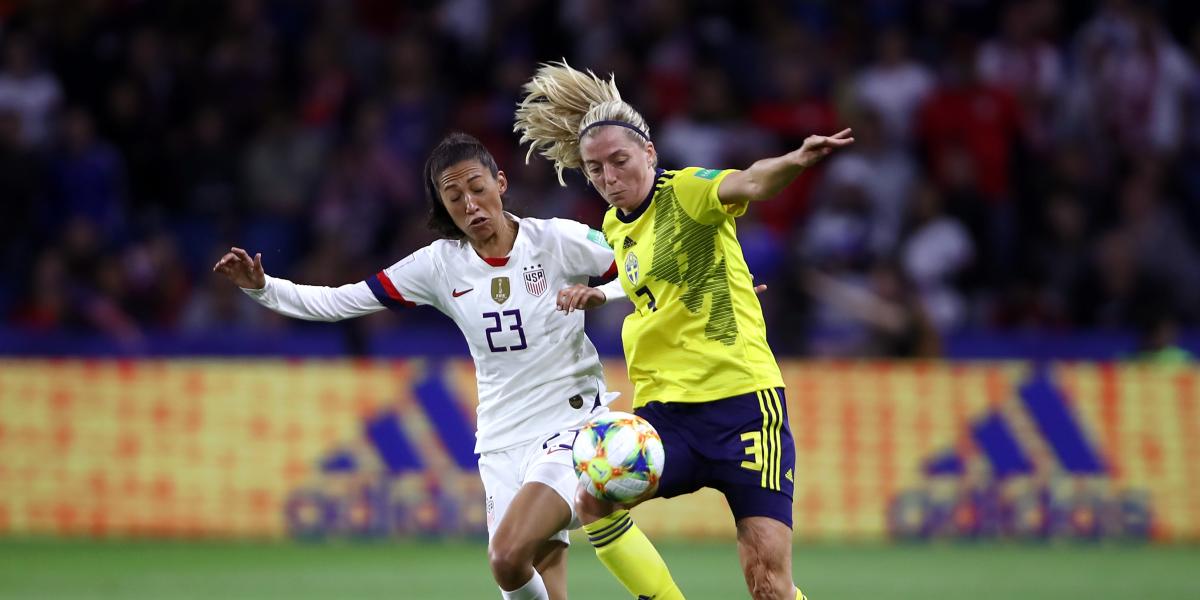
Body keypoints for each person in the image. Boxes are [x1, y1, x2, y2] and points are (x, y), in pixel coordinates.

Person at [214, 132, 627, 600]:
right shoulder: (439, 266)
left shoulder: (557, 240)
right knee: (521, 575)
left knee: (506, 554)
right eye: (455, 198)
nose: (469, 204)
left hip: (570, 425)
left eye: (476, 188)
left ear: (501, 183)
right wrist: (263, 288)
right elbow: (341, 301)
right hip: (501, 441)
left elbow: (641, 268)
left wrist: (602, 292)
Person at [515, 62, 854, 600]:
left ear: (650, 153)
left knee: (767, 583)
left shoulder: (688, 192)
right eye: (595, 169)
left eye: (620, 161)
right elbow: (660, 281)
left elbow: (749, 181)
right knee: (593, 498)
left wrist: (793, 160)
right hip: (667, 414)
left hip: (742, 406)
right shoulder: (613, 227)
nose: (609, 178)